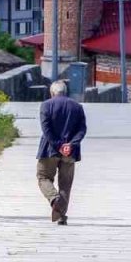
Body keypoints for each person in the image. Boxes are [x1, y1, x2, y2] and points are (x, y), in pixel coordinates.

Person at [36, 80, 86, 225]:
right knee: (65, 184)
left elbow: (46, 130)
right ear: (65, 92)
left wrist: (58, 145)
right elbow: (82, 129)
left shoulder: (46, 105)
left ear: (52, 93)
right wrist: (70, 144)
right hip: (70, 152)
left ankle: (54, 198)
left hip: (49, 150)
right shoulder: (77, 107)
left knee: (43, 177)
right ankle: (61, 215)